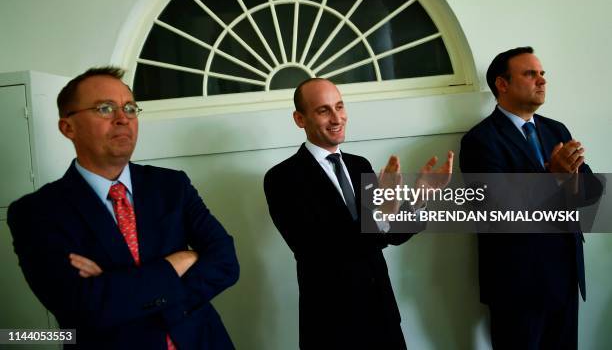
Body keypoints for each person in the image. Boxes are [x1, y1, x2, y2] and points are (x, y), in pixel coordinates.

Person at [7, 67, 239, 349]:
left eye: (129, 108)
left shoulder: (171, 186)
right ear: (68, 127)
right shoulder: (36, 213)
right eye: (105, 108)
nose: (122, 119)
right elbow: (81, 307)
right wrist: (177, 262)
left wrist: (119, 290)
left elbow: (226, 262)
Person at [263, 78, 452, 349]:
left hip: (384, 317)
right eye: (323, 110)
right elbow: (315, 248)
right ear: (299, 119)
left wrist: (419, 197)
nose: (337, 117)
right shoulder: (282, 178)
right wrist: (384, 211)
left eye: (339, 106)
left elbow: (389, 236)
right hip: (331, 326)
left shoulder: (358, 165)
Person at [459, 47, 603, 349]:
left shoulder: (556, 129)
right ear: (502, 84)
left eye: (542, 74)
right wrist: (554, 178)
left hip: (565, 275)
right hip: (517, 284)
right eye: (530, 73)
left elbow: (590, 192)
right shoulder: (479, 140)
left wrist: (571, 180)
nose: (541, 80)